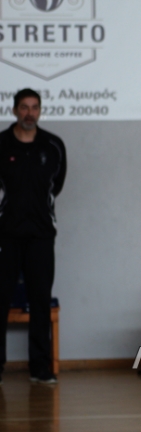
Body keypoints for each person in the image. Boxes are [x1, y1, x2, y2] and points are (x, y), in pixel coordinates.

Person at [0, 88, 67, 386]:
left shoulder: (53, 146)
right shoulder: (1, 144)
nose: (30, 113)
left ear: (40, 111)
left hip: (41, 235)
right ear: (14, 110)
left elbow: (57, 185)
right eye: (24, 107)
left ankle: (39, 368)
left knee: (40, 301)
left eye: (35, 107)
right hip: (6, 235)